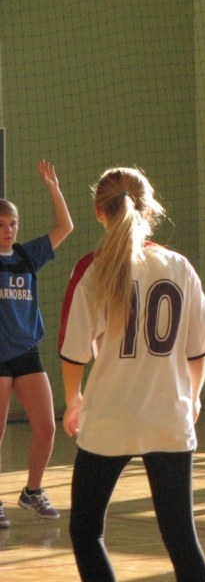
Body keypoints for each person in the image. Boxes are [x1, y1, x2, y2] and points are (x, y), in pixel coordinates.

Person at [59, 167, 205, 581]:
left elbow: (74, 354)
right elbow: (199, 349)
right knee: (181, 538)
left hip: (109, 417)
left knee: (86, 531)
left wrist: (73, 401)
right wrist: (193, 397)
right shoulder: (178, 266)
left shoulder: (92, 270)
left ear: (99, 212)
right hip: (168, 417)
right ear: (149, 209)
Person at [0, 160, 73, 527]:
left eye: (12, 224)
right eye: (1, 225)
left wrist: (53, 188)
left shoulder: (27, 256)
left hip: (28, 351)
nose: (8, 230)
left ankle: (32, 491)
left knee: (46, 428)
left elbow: (65, 227)